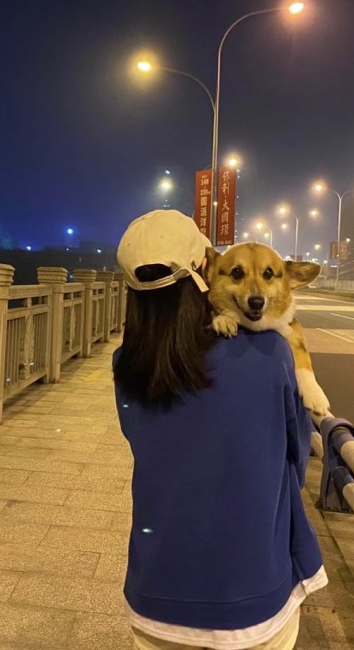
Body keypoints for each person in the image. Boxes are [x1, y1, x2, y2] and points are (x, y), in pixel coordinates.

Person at [113, 209, 327, 650]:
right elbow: (296, 453)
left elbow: (144, 440)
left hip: (156, 591)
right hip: (253, 593)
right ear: (204, 271)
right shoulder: (271, 355)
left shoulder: (126, 364)